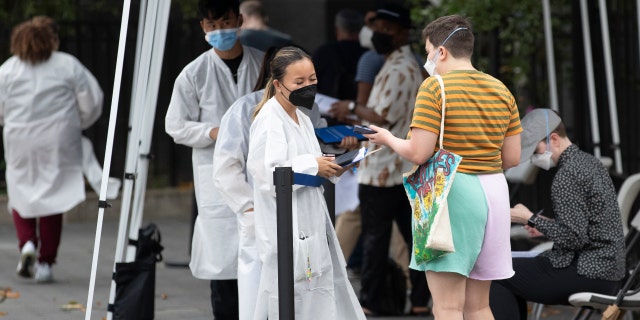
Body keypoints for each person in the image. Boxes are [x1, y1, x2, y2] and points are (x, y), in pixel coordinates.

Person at [364, 14, 523, 319]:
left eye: (427, 52)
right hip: (494, 192)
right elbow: (512, 158)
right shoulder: (501, 89)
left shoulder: (435, 87)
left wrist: (387, 138)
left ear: (442, 52)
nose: (427, 59)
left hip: (452, 193)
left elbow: (418, 152)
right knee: (480, 305)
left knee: (448, 306)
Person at [246, 46, 365, 320]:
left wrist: (336, 165)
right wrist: (314, 165)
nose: (308, 87)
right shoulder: (269, 120)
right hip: (287, 229)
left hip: (309, 223)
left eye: (311, 79)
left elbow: (311, 160)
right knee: (291, 301)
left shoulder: (300, 116)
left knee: (319, 299)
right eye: (299, 83)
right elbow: (269, 173)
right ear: (278, 84)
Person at [329, 4, 430, 316]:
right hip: (397, 168)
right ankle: (417, 301)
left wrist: (349, 110)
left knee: (378, 236)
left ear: (402, 34)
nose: (376, 34)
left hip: (385, 171)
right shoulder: (396, 64)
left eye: (386, 29)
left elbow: (379, 119)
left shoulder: (401, 69)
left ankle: (373, 300)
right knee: (410, 237)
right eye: (375, 27)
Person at [164, 0, 263, 318]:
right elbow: (176, 126)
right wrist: (213, 132)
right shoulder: (194, 73)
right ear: (203, 28)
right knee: (224, 270)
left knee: (264, 262)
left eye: (225, 22)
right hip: (217, 177)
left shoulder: (263, 65)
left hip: (260, 172)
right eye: (212, 25)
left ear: (240, 19)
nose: (220, 30)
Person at [489, 108, 625, 320]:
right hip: (608, 273)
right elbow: (586, 227)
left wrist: (528, 218)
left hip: (585, 271)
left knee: (496, 273)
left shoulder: (566, 175)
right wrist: (542, 222)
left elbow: (574, 238)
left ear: (553, 138)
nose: (534, 158)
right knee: (508, 272)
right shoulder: (590, 162)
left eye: (536, 150)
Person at [0, 16, 103, 283]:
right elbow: (91, 101)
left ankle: (27, 244)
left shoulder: (8, 70)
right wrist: (77, 122)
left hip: (20, 138)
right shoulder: (67, 65)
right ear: (52, 40)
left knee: (20, 191)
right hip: (59, 138)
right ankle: (45, 263)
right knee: (53, 198)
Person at [312, 8, 367, 101]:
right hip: (361, 110)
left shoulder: (324, 52)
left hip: (329, 108)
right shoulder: (369, 55)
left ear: (337, 30)